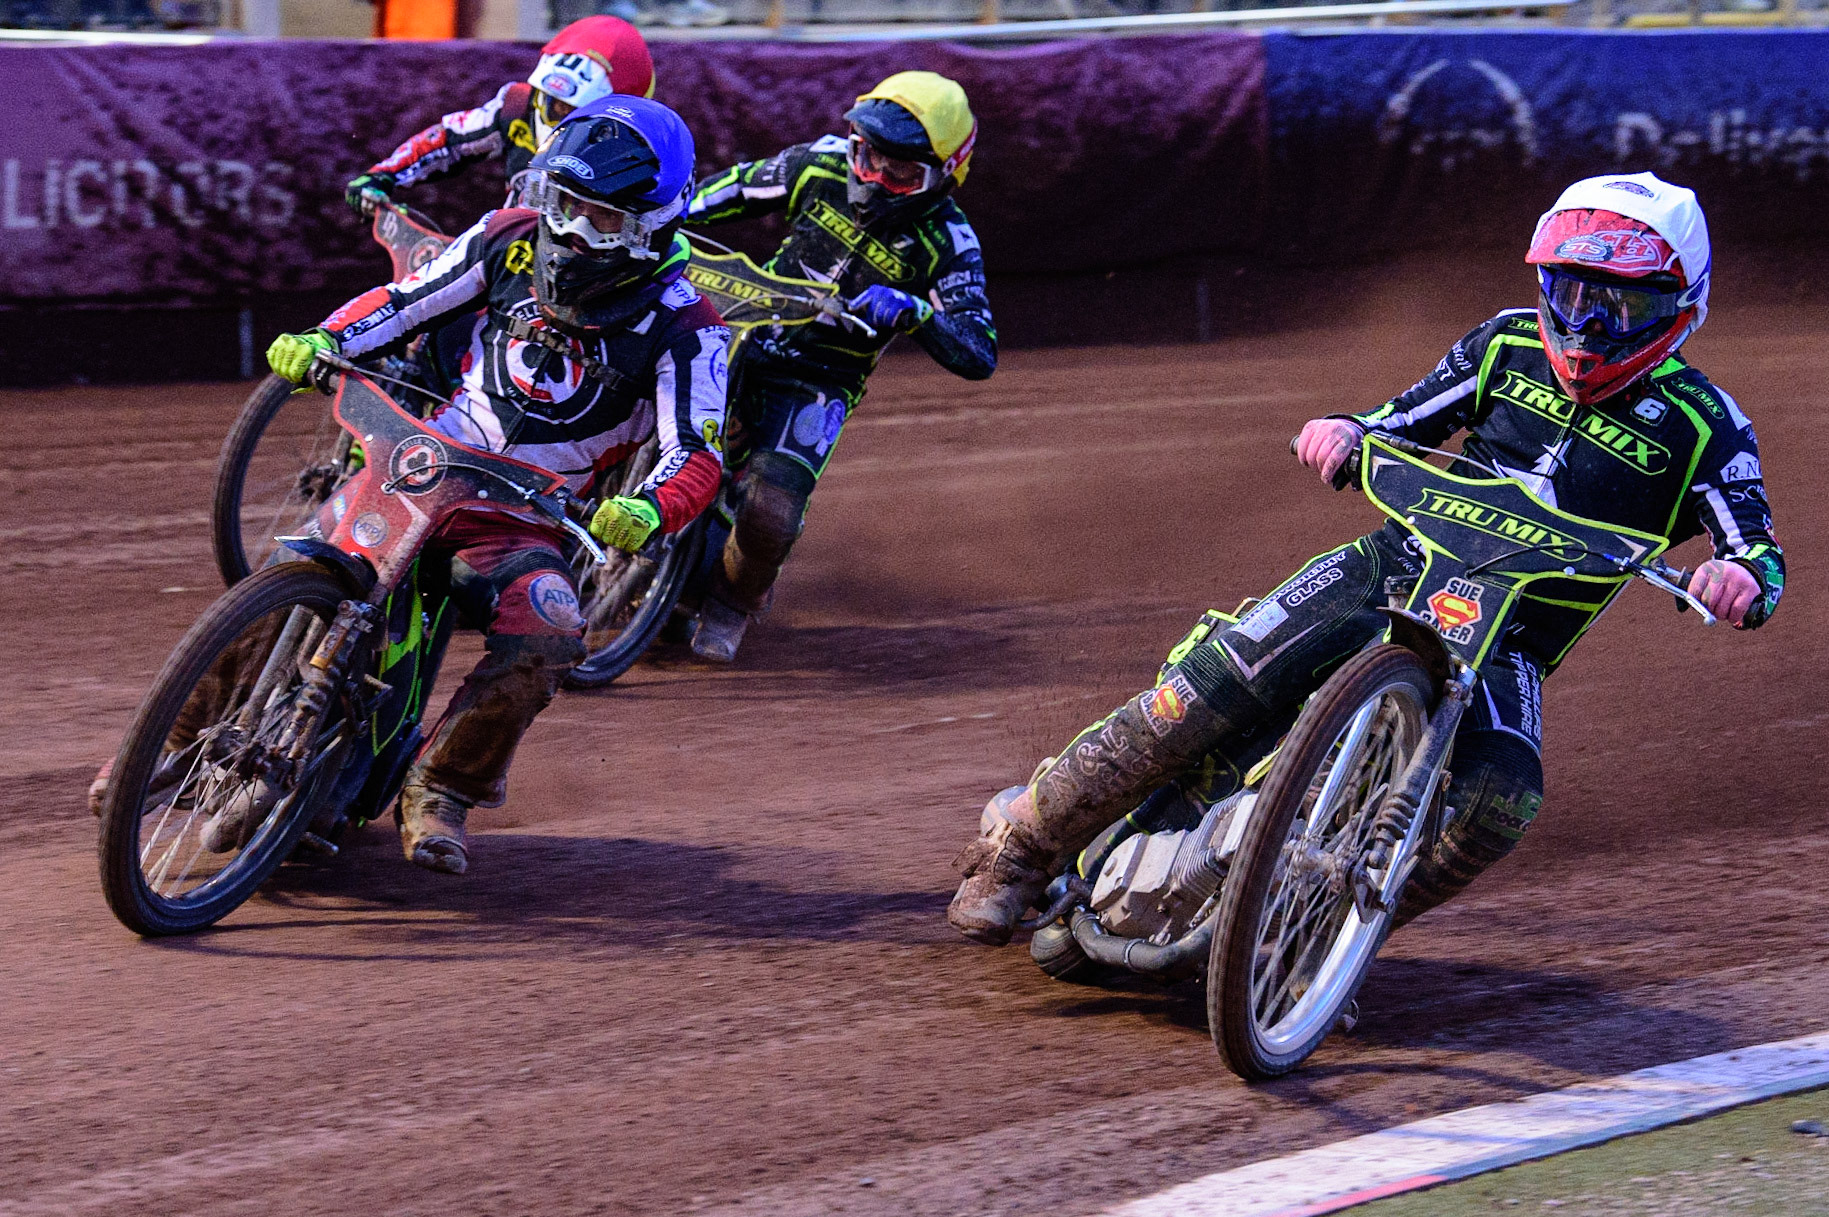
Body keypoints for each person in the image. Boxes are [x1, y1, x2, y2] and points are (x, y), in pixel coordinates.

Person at [946, 171, 1784, 945]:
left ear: (1681, 306)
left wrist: (1738, 578)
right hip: (1388, 567)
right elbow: (1396, 420)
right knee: (1207, 684)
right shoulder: (1504, 345)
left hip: (1509, 640)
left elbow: (1756, 548)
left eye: (1618, 307)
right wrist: (1345, 430)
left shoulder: (1704, 424)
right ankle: (1020, 848)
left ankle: (1327, 941)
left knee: (1500, 801)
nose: (1587, 323)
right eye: (1570, 294)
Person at [266, 100, 729, 875]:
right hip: (418, 468)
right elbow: (403, 302)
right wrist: (326, 337)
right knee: (292, 569)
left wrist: (646, 506)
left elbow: (697, 453)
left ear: (651, 226)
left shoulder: (689, 326)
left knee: (550, 629)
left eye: (602, 221)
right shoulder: (507, 237)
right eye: (565, 206)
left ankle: (443, 784)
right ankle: (170, 745)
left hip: (522, 520)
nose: (574, 233)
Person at [681, 70, 998, 662]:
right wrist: (659, 224)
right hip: (738, 325)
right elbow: (717, 195)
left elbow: (979, 351)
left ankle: (733, 600)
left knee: (772, 514)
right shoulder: (819, 164)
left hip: (819, 380)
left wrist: (914, 313)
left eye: (901, 172)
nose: (873, 178)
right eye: (867, 155)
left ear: (946, 174)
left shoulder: (950, 243)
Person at [343, 15, 655, 215]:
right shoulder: (518, 104)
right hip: (511, 251)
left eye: (574, 108)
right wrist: (382, 176)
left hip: (596, 271)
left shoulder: (646, 145)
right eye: (553, 101)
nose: (560, 113)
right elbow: (448, 139)